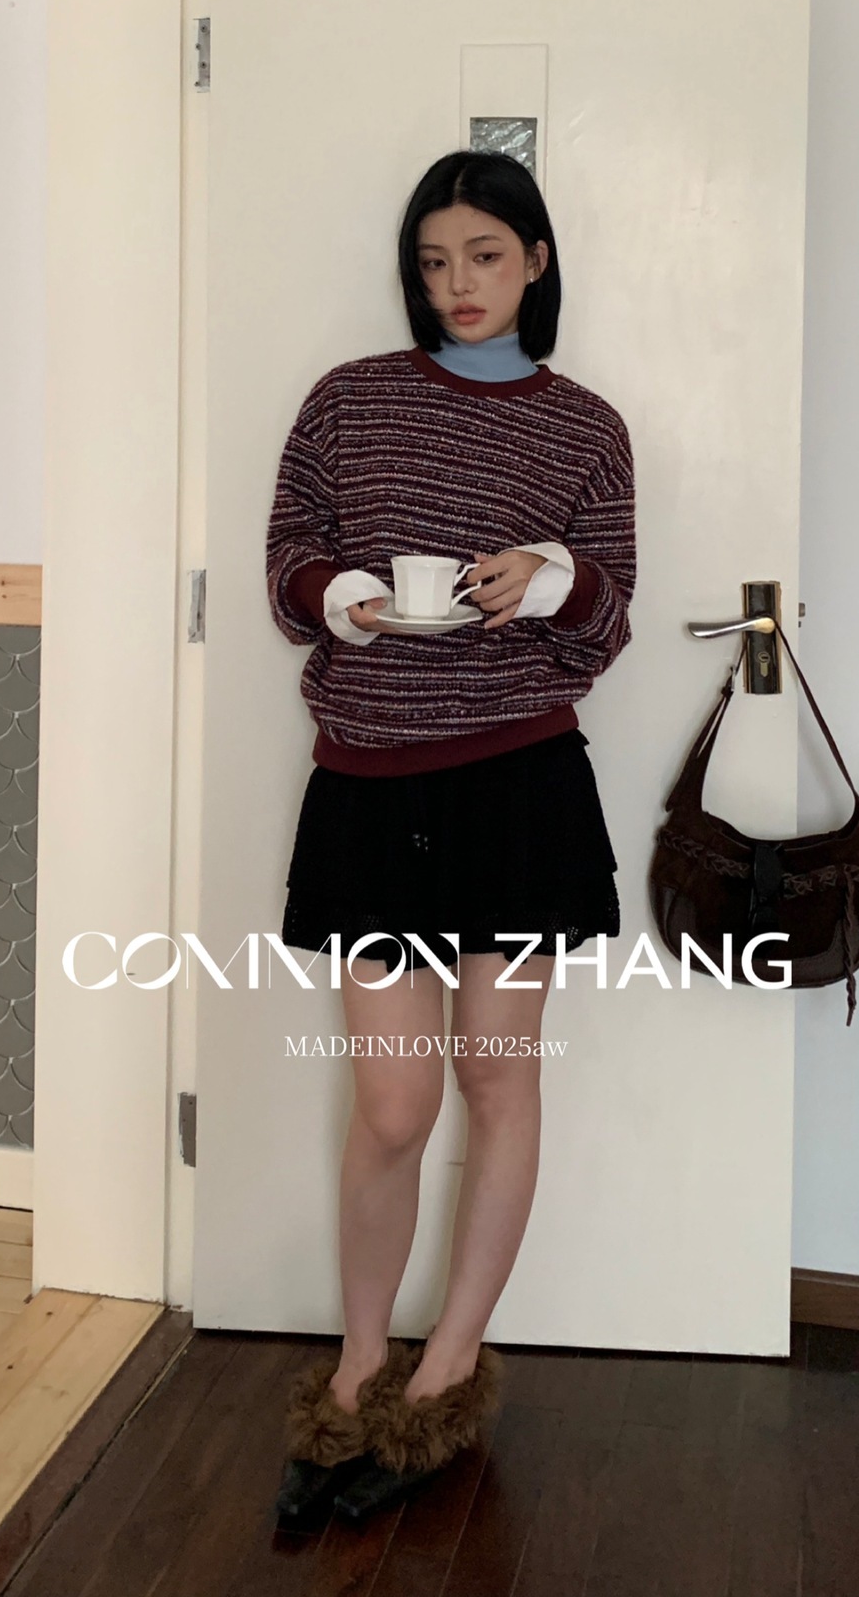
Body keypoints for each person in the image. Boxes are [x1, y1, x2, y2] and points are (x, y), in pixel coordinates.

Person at [265, 149, 636, 1525]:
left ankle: (448, 1366)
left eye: (483, 256)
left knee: (497, 1080)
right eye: (433, 262)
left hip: (517, 785)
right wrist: (341, 596)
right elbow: (288, 565)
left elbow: (608, 620)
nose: (457, 285)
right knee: (392, 1107)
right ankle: (358, 1364)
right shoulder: (347, 400)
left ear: (535, 259)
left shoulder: (586, 427)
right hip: (369, 785)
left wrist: (552, 579)